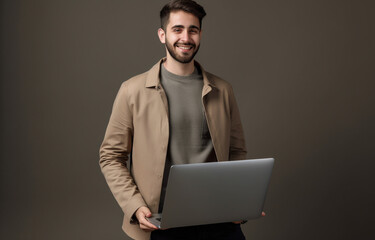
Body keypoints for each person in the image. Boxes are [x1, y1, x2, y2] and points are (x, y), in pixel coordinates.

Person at [99, 0, 257, 239]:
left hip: (219, 221)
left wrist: (238, 203)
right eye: (177, 29)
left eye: (193, 30)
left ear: (200, 34)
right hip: (160, 224)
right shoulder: (132, 90)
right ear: (162, 35)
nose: (186, 37)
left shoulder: (222, 90)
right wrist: (135, 206)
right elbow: (111, 156)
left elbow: (237, 151)